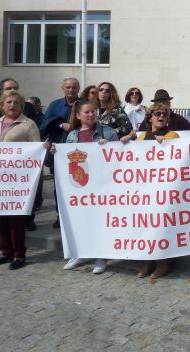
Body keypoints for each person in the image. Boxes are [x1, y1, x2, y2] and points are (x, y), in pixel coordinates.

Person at [54, 100, 119, 274]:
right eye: (87, 112)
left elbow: (120, 156)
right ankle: (82, 253)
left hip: (102, 185)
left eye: (92, 112)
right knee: (81, 220)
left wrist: (111, 147)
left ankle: (101, 256)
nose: (91, 115)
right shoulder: (72, 136)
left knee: (100, 221)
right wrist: (56, 153)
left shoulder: (108, 132)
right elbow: (66, 159)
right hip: (79, 186)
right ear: (78, 115)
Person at [0, 90, 40, 270]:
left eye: (16, 102)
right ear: (2, 105)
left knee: (16, 218)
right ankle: (5, 252)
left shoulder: (28, 124)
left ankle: (19, 254)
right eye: (8, 102)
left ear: (21, 106)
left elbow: (36, 151)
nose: (12, 105)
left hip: (17, 180)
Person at [125, 103, 179, 280]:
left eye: (164, 114)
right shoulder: (142, 137)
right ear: (150, 117)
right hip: (145, 189)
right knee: (146, 225)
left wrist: (166, 145)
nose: (161, 116)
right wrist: (126, 141)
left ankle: (163, 262)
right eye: (157, 114)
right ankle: (148, 260)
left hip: (164, 189)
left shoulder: (173, 135)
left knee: (160, 225)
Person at [40, 77, 81, 228]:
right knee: (60, 187)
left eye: (74, 87)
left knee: (80, 184)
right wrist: (60, 125)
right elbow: (44, 126)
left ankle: (79, 216)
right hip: (58, 152)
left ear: (78, 88)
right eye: (68, 87)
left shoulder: (84, 104)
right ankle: (61, 216)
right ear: (62, 88)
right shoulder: (54, 105)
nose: (71, 90)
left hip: (80, 152)